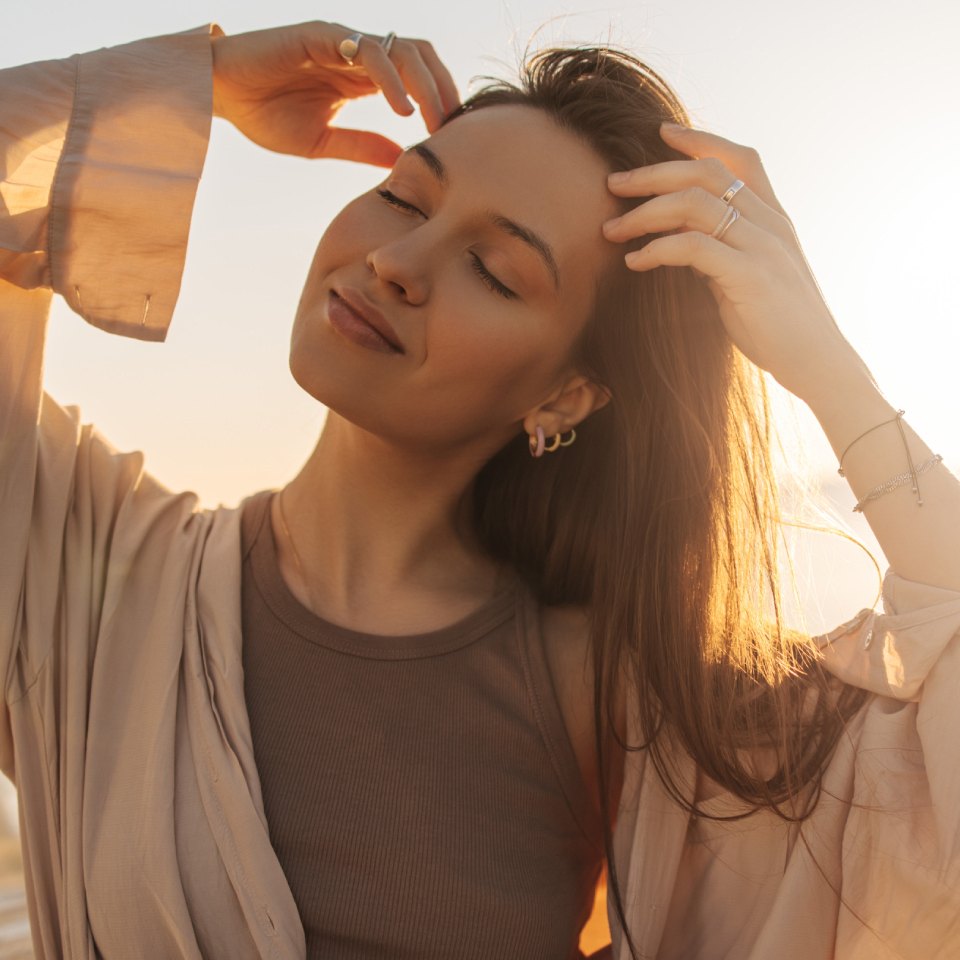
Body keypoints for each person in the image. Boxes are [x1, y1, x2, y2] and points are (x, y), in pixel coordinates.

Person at [1, 18, 958, 960]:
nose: (397, 263)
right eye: (405, 199)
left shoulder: (609, 687)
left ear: (567, 391)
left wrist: (827, 365)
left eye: (492, 272)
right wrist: (190, 84)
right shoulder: (88, 564)